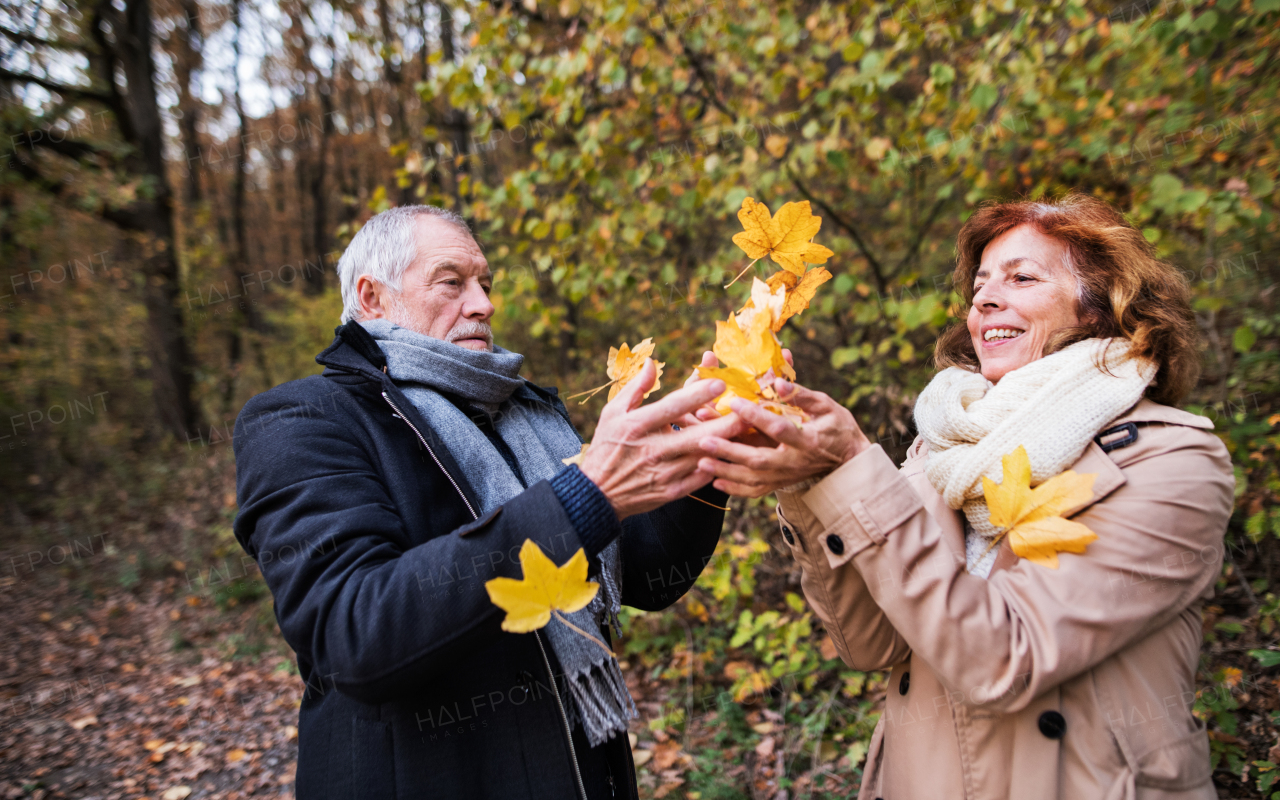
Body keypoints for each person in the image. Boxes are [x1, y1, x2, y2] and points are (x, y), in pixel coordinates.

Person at [695, 195, 1233, 799]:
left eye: (1022, 278)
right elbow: (871, 642)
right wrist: (810, 482)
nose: (984, 299)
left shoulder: (1171, 461)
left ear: (1102, 306)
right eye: (979, 286)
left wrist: (851, 465)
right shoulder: (944, 451)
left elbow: (1006, 659)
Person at [232, 205, 743, 800]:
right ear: (371, 297)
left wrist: (705, 455)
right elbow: (354, 629)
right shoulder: (304, 418)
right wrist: (583, 497)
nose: (483, 304)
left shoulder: (523, 413)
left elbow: (649, 575)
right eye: (452, 281)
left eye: (485, 283)